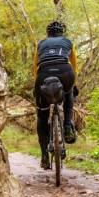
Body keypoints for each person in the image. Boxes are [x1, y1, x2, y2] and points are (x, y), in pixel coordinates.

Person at [33, 21, 78, 169]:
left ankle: (44, 155)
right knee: (68, 93)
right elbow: (74, 65)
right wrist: (72, 84)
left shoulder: (40, 44)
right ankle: (66, 127)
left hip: (43, 74)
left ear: (48, 34)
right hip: (65, 72)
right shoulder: (67, 42)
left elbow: (35, 67)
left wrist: (38, 87)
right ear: (61, 33)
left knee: (42, 116)